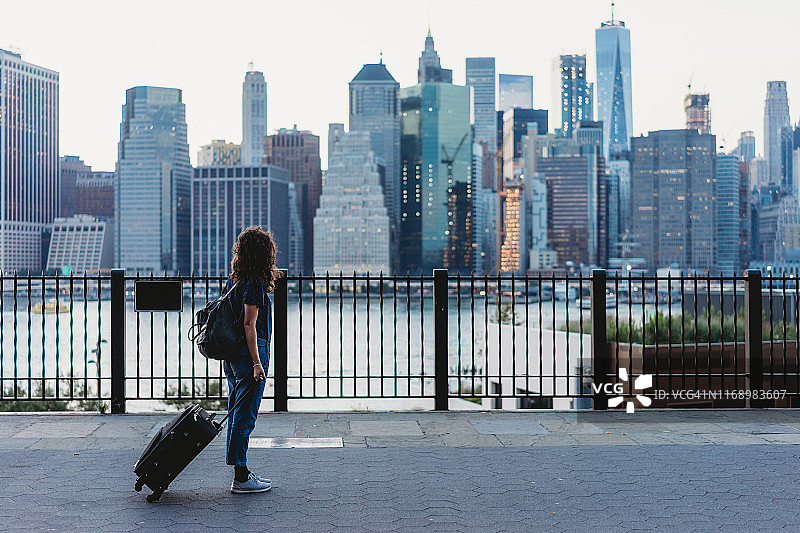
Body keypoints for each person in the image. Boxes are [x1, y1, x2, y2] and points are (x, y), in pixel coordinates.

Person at [222, 226, 279, 494]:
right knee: (245, 416)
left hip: (232, 356)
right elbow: (249, 324)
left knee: (237, 413)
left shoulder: (233, 280)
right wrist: (257, 363)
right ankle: (241, 477)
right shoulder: (254, 282)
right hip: (249, 355)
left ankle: (240, 472)